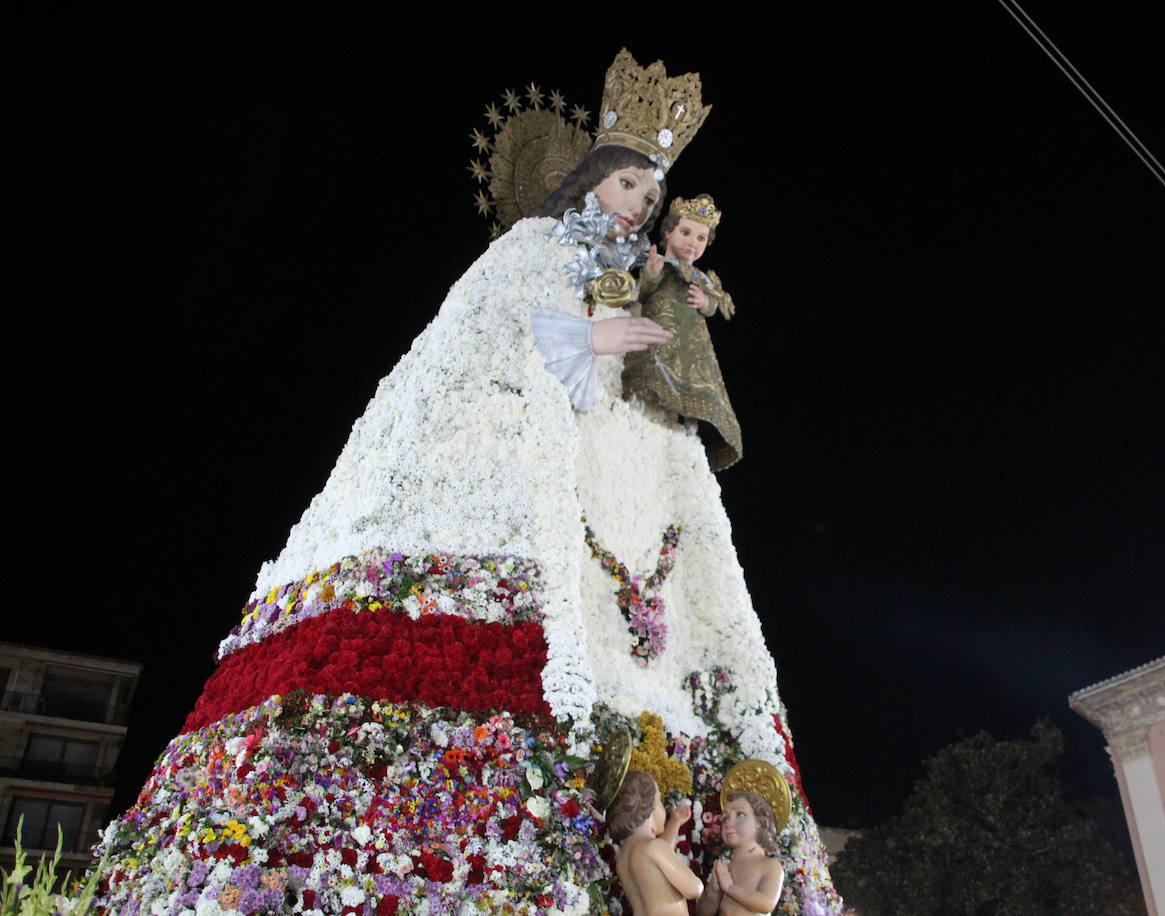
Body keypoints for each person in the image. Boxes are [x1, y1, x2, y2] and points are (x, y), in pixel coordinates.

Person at [94, 50, 843, 915]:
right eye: (631, 185)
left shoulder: (639, 274)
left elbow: (664, 344)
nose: (641, 206)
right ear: (593, 177)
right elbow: (502, 323)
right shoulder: (535, 244)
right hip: (510, 472)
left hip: (625, 490)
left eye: (651, 193)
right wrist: (590, 341)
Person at [622, 194, 742, 470]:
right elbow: (642, 293)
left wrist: (706, 302)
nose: (692, 243)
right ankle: (649, 414)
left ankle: (687, 425)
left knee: (694, 380)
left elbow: (714, 305)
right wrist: (651, 274)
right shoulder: (657, 264)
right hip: (660, 330)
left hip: (691, 340)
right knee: (656, 372)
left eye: (701, 238)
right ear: (668, 232)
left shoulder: (700, 278)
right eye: (686, 233)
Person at [608, 771, 703, 915]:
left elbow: (658, 867)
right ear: (649, 807)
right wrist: (699, 884)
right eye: (659, 800)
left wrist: (675, 823)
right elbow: (693, 889)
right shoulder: (653, 847)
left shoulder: (622, 860)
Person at [698, 791, 785, 916]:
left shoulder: (770, 865)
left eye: (740, 814)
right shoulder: (726, 868)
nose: (728, 823)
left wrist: (730, 889)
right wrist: (713, 891)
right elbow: (703, 913)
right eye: (726, 818)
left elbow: (767, 903)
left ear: (759, 822)